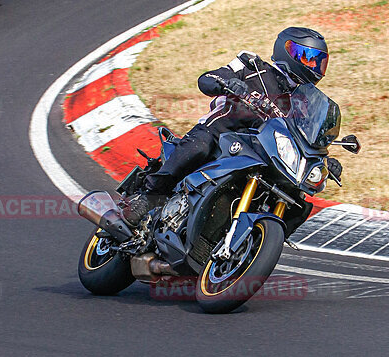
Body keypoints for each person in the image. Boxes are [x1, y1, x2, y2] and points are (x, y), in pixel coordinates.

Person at [119, 27, 330, 226]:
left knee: (299, 202)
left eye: (318, 62)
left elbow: (307, 138)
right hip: (220, 134)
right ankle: (148, 198)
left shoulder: (303, 103)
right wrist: (227, 83)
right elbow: (208, 78)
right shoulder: (252, 66)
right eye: (307, 57)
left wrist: (324, 161)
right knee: (199, 147)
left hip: (261, 156)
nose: (312, 66)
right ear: (286, 50)